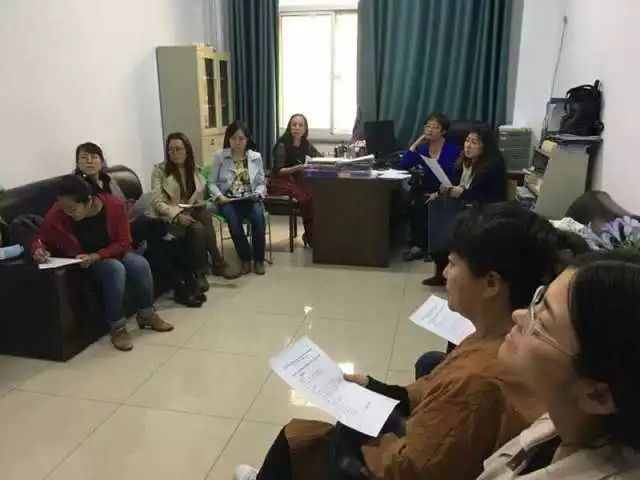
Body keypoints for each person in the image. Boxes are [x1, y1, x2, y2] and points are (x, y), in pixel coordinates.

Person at [234, 202, 580, 480]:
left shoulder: (478, 382)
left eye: (453, 264)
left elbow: (406, 469)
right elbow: (433, 390)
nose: (445, 273)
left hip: (399, 462)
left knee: (298, 438)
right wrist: (377, 388)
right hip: (425, 436)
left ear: (491, 283)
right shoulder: (494, 334)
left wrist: (364, 434)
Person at [477, 250, 640, 479]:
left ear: (598, 395)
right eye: (538, 301)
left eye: (542, 323)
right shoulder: (565, 423)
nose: (518, 315)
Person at [31, 175, 173, 351]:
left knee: (139, 264)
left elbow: (124, 242)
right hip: (84, 263)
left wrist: (97, 255)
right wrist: (38, 249)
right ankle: (117, 327)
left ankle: (146, 315)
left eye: (72, 209)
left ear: (89, 201)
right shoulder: (58, 212)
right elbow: (41, 237)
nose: (67, 213)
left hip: (110, 253)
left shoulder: (113, 206)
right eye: (63, 208)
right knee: (114, 268)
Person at [74, 142, 204, 308]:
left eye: (94, 157)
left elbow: (121, 206)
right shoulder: (77, 187)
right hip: (107, 236)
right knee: (155, 226)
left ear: (102, 160)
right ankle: (186, 284)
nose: (89, 161)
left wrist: (133, 207)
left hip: (125, 226)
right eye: (84, 158)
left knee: (160, 240)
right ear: (77, 163)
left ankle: (184, 285)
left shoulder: (108, 180)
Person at [149, 132, 238, 292]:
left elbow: (198, 195)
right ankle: (200, 272)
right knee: (197, 228)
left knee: (205, 213)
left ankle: (217, 262)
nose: (174, 153)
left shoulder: (193, 169)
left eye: (178, 149)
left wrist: (200, 203)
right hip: (168, 217)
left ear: (187, 150)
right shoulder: (159, 171)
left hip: (190, 211)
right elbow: (157, 202)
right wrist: (176, 216)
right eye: (170, 150)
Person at [422, 124, 507, 286]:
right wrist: (443, 190)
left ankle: (455, 272)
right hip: (462, 206)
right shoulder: (463, 162)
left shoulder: (494, 165)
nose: (468, 146)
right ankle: (440, 269)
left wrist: (462, 193)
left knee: (447, 221)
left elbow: (492, 197)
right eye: (467, 141)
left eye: (474, 142)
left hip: (483, 210)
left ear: (485, 146)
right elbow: (454, 184)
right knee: (436, 207)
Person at [399, 112, 461, 261]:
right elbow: (404, 164)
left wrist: (440, 193)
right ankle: (418, 246)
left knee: (431, 205)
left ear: (443, 131)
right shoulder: (423, 148)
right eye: (428, 126)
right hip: (425, 189)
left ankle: (431, 249)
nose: (430, 130)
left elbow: (457, 175)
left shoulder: (453, 150)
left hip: (447, 190)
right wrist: (415, 145)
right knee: (414, 202)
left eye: (435, 127)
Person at [209, 121, 267, 275]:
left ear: (247, 139)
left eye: (241, 138)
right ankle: (245, 258)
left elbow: (261, 182)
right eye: (233, 138)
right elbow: (211, 183)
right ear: (228, 139)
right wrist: (220, 196)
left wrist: (258, 193)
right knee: (234, 222)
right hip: (229, 200)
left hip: (250, 199)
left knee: (258, 218)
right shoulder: (220, 156)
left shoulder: (255, 157)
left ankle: (259, 260)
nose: (237, 142)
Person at [270, 113, 321, 247]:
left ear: (305, 129)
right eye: (294, 125)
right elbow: (279, 171)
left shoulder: (306, 145)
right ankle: (311, 237)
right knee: (308, 196)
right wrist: (298, 168)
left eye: (300, 125)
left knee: (316, 193)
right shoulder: (282, 145)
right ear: (289, 127)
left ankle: (313, 235)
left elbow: (319, 158)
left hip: (298, 181)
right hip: (281, 182)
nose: (297, 128)